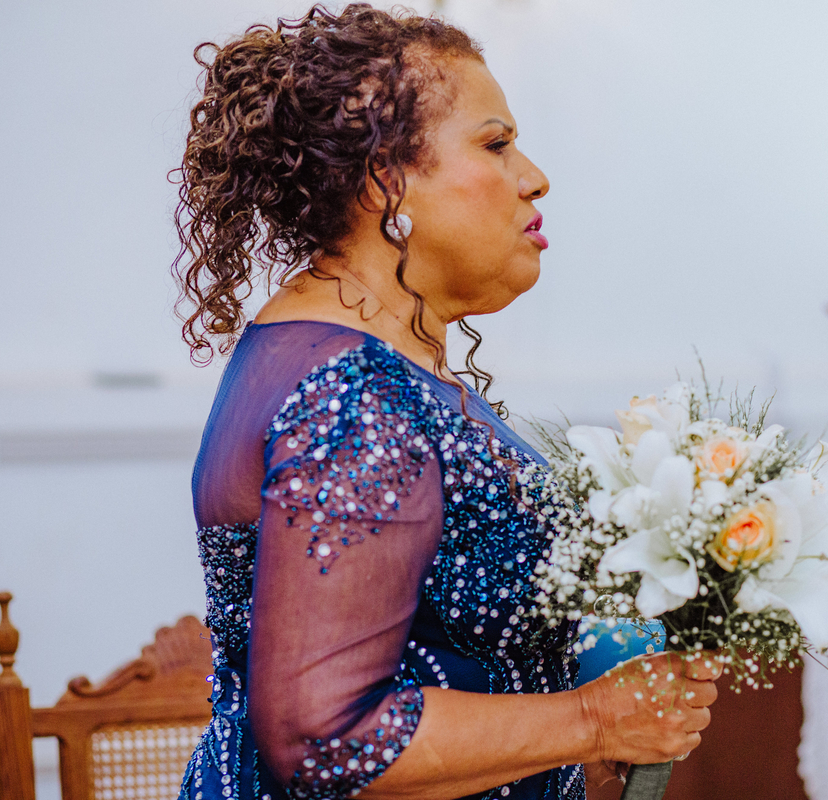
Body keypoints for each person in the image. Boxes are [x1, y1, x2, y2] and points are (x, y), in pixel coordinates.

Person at [173, 6, 719, 799]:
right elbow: (327, 741)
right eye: (495, 144)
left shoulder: (337, 357)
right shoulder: (354, 393)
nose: (533, 176)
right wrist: (596, 719)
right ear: (386, 177)